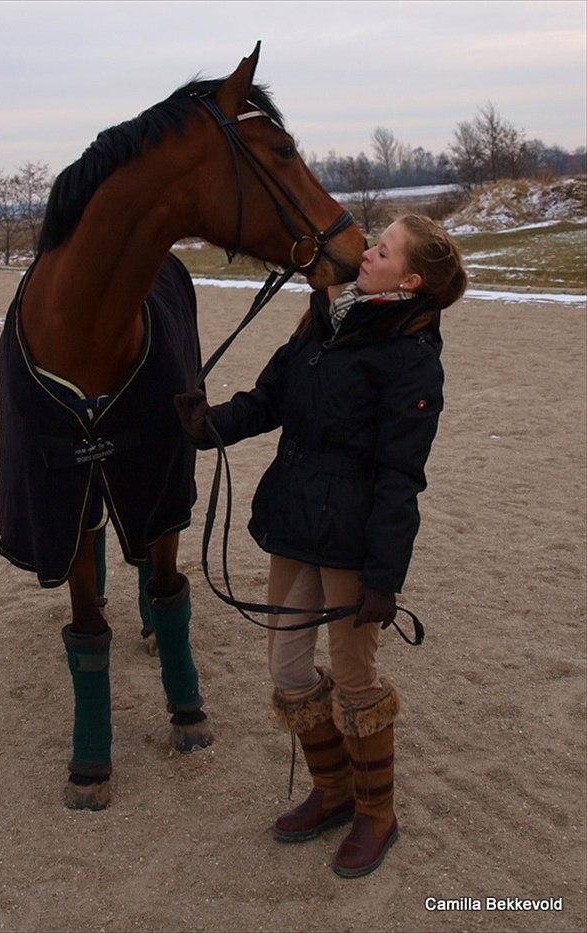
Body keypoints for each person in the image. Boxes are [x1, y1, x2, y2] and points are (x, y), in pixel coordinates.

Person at [174, 214, 467, 877]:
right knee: (287, 668)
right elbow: (268, 399)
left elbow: (401, 477)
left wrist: (383, 577)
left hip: (353, 543)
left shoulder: (412, 358)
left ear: (411, 278)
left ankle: (375, 812)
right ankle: (333, 791)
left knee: (356, 682)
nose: (366, 252)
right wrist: (207, 425)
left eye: (383, 250)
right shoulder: (326, 319)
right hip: (294, 519)